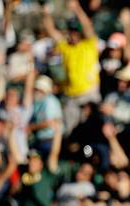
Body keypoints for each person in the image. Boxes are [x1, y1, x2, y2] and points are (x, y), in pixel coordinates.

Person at [42, 0, 100, 136]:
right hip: (72, 96)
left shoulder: (89, 45)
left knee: (90, 130)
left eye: (75, 32)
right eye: (71, 32)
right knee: (70, 132)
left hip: (89, 94)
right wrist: (45, 13)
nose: (72, 35)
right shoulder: (66, 48)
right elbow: (51, 30)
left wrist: (77, 9)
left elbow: (87, 26)